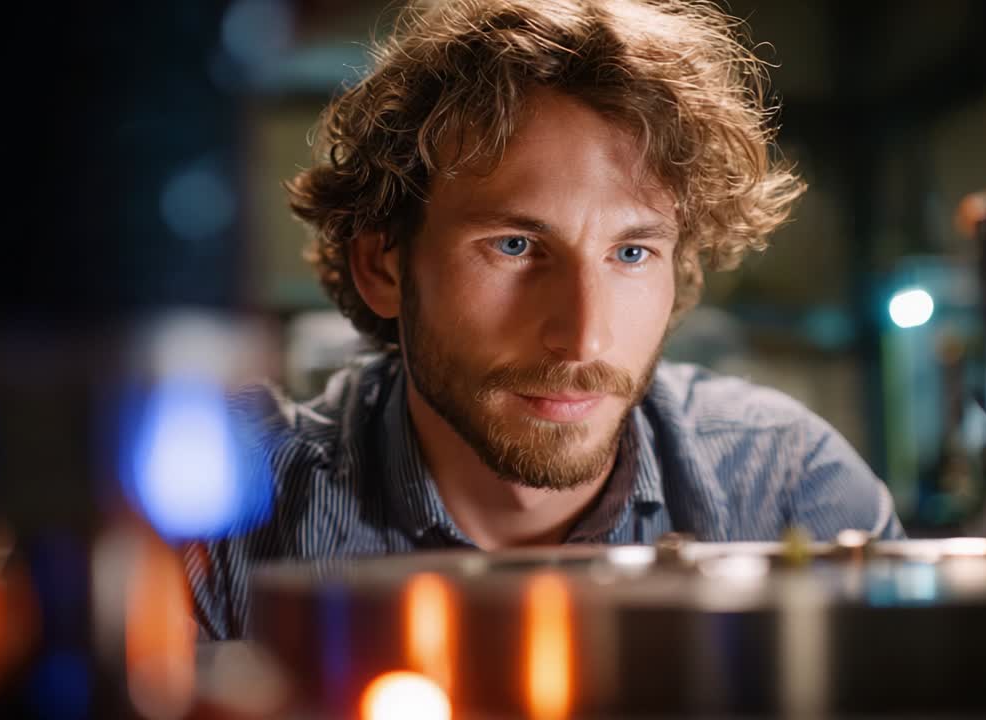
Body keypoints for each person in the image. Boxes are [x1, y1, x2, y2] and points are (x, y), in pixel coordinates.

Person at [187, 0, 903, 640]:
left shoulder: (783, 485)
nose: (583, 336)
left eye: (630, 251)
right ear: (383, 266)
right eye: (516, 245)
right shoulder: (228, 514)